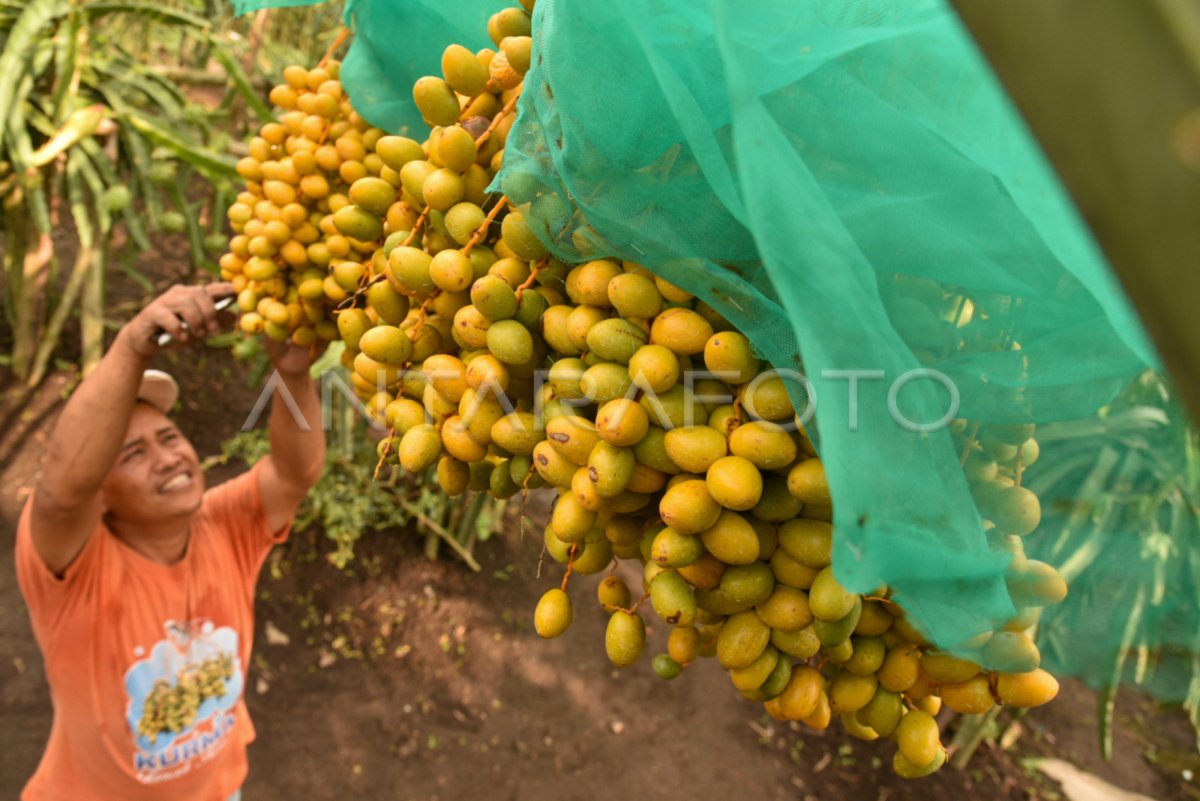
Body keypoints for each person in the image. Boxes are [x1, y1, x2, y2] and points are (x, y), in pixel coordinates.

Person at [14, 283, 326, 801]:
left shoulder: (225, 525)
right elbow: (63, 494)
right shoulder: (73, 572)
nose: (167, 458)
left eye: (168, 438)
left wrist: (292, 374)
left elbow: (295, 473)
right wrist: (133, 345)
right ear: (101, 493)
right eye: (132, 454)